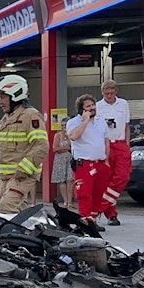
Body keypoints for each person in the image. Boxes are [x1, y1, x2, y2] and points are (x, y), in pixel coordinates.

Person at [0, 75, 48, 213]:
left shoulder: (30, 115)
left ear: (15, 94)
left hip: (21, 176)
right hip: (6, 177)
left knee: (7, 208)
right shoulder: (7, 118)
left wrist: (24, 170)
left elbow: (41, 145)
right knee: (20, 213)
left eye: (2, 97)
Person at [65, 94, 110, 223]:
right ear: (81, 109)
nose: (92, 108)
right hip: (84, 163)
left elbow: (106, 141)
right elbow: (73, 136)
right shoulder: (73, 122)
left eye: (93, 105)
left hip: (100, 162)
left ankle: (93, 220)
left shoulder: (101, 121)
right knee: (84, 193)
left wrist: (106, 160)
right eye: (88, 106)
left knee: (98, 193)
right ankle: (84, 220)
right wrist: (85, 121)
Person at [95, 80, 131, 226]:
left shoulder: (123, 104)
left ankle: (99, 207)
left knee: (123, 176)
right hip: (106, 144)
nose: (109, 96)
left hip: (121, 143)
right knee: (106, 180)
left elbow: (127, 126)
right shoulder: (98, 106)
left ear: (116, 91)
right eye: (106, 93)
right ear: (102, 93)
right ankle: (111, 214)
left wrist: (128, 145)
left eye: (111, 93)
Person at [51, 125, 74, 206]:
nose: (64, 127)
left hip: (70, 159)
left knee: (70, 180)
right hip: (60, 160)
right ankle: (65, 201)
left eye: (65, 125)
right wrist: (66, 148)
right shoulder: (58, 135)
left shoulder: (72, 134)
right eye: (62, 125)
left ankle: (70, 202)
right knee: (62, 180)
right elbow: (55, 148)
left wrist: (65, 148)